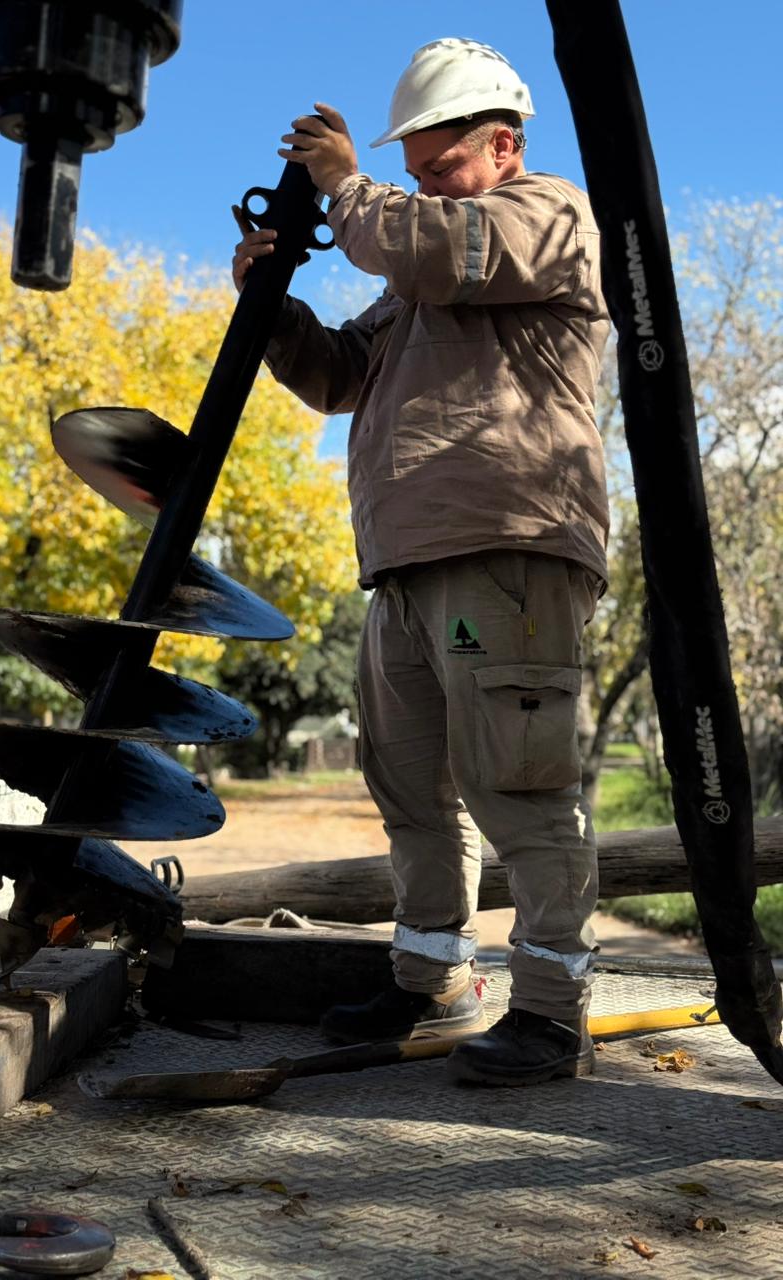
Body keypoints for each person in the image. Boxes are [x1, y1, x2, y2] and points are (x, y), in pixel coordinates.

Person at [231, 38, 610, 1087]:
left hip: (507, 547)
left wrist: (348, 188)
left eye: (441, 165)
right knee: (413, 789)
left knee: (519, 788)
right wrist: (274, 308)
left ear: (505, 146)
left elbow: (438, 248)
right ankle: (433, 979)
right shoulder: (417, 268)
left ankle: (551, 1016)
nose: (424, 185)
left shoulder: (544, 218)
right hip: (403, 564)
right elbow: (339, 375)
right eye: (414, 171)